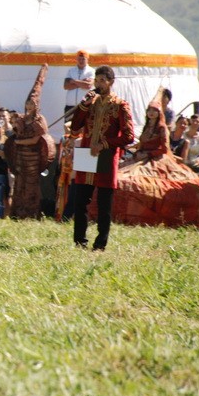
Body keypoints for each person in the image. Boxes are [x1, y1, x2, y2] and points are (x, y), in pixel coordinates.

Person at [70, 65, 134, 250]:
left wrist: (105, 144)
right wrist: (83, 105)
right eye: (96, 81)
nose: (98, 84)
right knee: (80, 201)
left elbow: (129, 136)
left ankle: (100, 244)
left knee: (104, 204)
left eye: (102, 81)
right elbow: (75, 127)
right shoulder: (90, 102)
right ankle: (79, 242)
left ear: (111, 82)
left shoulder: (120, 105)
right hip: (86, 153)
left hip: (106, 156)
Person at [4, 64, 54, 219]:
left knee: (31, 186)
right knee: (19, 184)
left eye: (32, 103)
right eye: (28, 103)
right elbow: (14, 132)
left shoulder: (39, 120)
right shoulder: (21, 119)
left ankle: (31, 214)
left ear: (36, 105)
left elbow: (36, 139)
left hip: (33, 158)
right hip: (21, 158)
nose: (29, 106)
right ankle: (17, 214)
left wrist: (20, 143)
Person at [63, 49, 94, 118]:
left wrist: (73, 81)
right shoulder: (71, 71)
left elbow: (88, 85)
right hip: (70, 105)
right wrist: (82, 82)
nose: (81, 61)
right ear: (76, 59)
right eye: (79, 59)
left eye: (83, 59)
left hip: (85, 106)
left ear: (87, 59)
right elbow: (66, 86)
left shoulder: (91, 71)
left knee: (84, 124)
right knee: (68, 124)